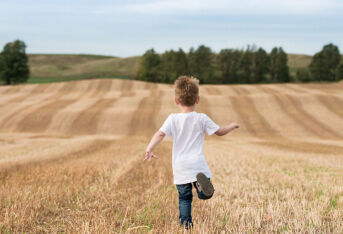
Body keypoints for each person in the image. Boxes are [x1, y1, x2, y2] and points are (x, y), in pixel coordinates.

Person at [144, 76, 239, 229]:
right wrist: (232, 125)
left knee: (184, 198)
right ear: (197, 99)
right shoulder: (201, 118)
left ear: (176, 100)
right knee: (204, 192)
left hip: (180, 166)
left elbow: (160, 134)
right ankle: (203, 191)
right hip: (197, 164)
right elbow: (220, 132)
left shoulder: (172, 119)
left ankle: (186, 225)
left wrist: (149, 148)